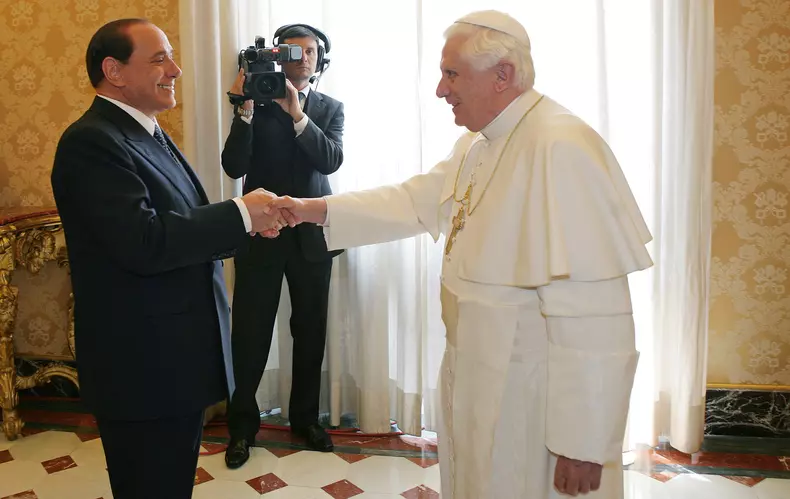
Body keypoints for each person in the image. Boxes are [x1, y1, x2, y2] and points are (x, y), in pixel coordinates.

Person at [268, 10, 652, 499]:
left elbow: (597, 320)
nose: (440, 90)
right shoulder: (479, 142)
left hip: (534, 401)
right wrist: (308, 209)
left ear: (502, 76)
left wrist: (582, 443)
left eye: (451, 74)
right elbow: (415, 199)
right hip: (476, 373)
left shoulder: (561, 145)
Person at [50, 18, 291, 499]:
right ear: (113, 71)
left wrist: (246, 225)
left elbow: (183, 222)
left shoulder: (146, 132)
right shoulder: (91, 142)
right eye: (159, 59)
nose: (175, 69)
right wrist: (241, 213)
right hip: (142, 366)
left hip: (171, 360)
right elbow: (144, 242)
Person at [221, 23, 344, 466]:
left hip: (312, 238)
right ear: (278, 57)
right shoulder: (256, 102)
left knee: (310, 332)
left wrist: (298, 116)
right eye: (296, 50)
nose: (305, 58)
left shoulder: (329, 108)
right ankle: (242, 429)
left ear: (321, 59)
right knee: (250, 334)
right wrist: (245, 111)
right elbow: (233, 166)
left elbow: (329, 159)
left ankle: (306, 421)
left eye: (312, 51)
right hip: (262, 234)